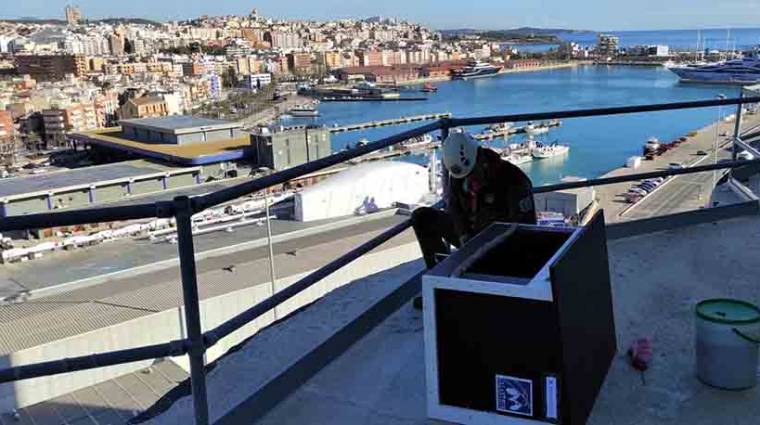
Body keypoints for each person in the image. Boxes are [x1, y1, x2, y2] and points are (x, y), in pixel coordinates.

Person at [411, 130, 537, 271]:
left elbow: (525, 229)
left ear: (480, 158)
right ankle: (439, 270)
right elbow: (454, 207)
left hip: (501, 247)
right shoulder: (460, 175)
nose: (469, 179)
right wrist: (463, 234)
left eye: (472, 173)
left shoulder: (514, 180)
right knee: (421, 217)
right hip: (470, 238)